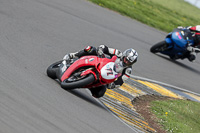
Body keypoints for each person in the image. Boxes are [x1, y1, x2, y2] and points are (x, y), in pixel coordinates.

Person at [63, 45, 138, 98]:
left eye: (129, 62)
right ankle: (73, 55)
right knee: (90, 49)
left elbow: (121, 81)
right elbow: (104, 48)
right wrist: (101, 52)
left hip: (105, 77)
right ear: (124, 55)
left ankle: (86, 84)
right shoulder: (118, 53)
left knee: (99, 94)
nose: (127, 62)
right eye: (126, 60)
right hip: (100, 63)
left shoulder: (128, 70)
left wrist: (113, 85)